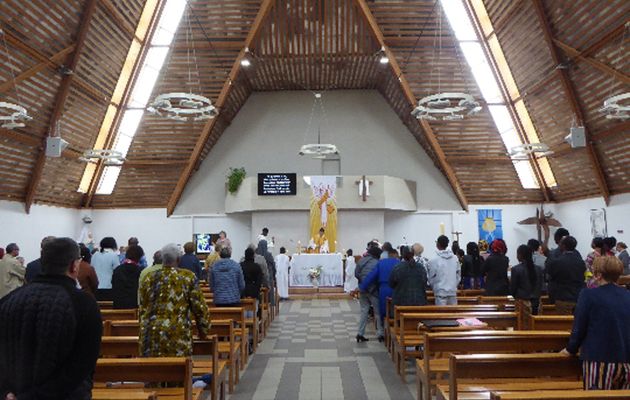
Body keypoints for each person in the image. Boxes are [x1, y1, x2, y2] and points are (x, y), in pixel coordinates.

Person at [0, 237, 102, 400]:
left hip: (14, 394)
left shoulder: (8, 300)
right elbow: (82, 365)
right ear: (74, 265)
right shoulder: (84, 304)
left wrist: (5, 391)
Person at [562, 256, 630, 390]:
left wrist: (571, 349)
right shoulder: (627, 295)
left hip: (599, 358)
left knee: (596, 395)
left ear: (598, 275)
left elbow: (579, 327)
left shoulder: (588, 295)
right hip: (626, 359)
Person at [139, 243, 209, 356]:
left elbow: (142, 308)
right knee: (179, 371)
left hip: (151, 336)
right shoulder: (187, 277)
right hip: (178, 337)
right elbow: (199, 307)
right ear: (178, 259)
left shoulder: (149, 278)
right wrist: (203, 331)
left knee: (152, 372)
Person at [360, 245, 399, 333]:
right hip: (396, 289)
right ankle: (396, 329)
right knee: (396, 310)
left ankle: (383, 331)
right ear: (396, 255)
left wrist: (363, 287)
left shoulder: (381, 263)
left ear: (388, 255)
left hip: (383, 289)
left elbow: (371, 276)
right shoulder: (399, 262)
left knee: (383, 311)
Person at [545, 236, 586, 315]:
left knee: (563, 324)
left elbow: (550, 277)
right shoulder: (581, 262)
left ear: (563, 246)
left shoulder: (557, 262)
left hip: (562, 297)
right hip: (577, 297)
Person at [355, 244, 383, 342]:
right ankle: (380, 334)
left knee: (364, 311)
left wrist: (362, 282)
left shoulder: (361, 260)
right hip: (373, 290)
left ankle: (360, 333)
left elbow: (356, 273)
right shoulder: (378, 262)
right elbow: (378, 276)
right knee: (377, 312)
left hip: (363, 289)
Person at [510, 245, 544, 326]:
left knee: (523, 326)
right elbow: (541, 286)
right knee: (537, 327)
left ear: (521, 255)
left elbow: (512, 289)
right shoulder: (538, 269)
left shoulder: (516, 269)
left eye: (517, 254)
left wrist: (516, 296)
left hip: (522, 303)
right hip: (537, 302)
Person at [427, 235, 461, 305]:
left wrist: (436, 287)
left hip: (440, 293)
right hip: (452, 292)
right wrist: (454, 285)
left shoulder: (433, 260)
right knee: (454, 315)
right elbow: (458, 275)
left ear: (438, 244)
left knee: (442, 315)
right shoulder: (455, 258)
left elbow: (431, 277)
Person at [112, 245, 144, 309]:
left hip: (118, 307)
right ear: (139, 257)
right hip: (135, 307)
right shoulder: (141, 272)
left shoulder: (117, 270)